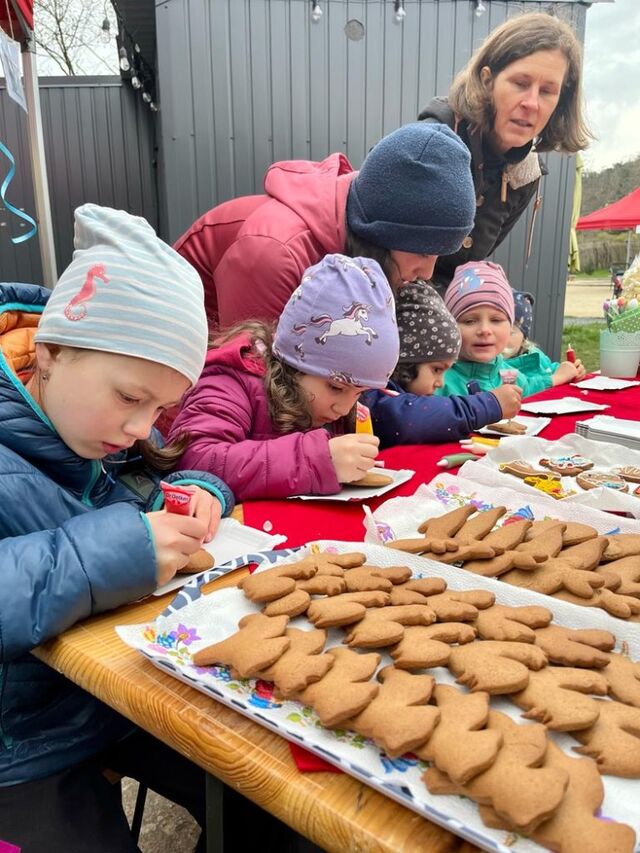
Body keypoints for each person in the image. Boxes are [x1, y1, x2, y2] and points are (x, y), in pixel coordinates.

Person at [0, 204, 236, 852]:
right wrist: (117, 550)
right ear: (48, 353)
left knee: (264, 802)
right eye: (132, 398)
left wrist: (202, 494)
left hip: (117, 700)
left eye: (160, 405)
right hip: (20, 748)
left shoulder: (101, 432)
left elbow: (158, 480)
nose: (142, 426)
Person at [174, 122, 476, 331]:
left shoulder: (361, 224)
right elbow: (252, 385)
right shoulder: (272, 253)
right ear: (383, 231)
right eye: (423, 252)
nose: (428, 274)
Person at [168, 254, 400, 501]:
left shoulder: (319, 397)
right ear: (294, 362)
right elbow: (194, 459)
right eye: (335, 387)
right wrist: (319, 460)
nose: (344, 408)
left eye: (359, 393)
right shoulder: (231, 380)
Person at [419, 12, 591, 292]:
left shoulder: (527, 173)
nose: (532, 103)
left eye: (547, 91)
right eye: (520, 83)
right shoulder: (436, 137)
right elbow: (384, 253)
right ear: (488, 81)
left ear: (561, 101)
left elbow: (469, 265)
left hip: (446, 297)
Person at [361, 282, 521, 447]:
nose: (440, 382)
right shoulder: (375, 395)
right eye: (436, 369)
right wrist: (488, 405)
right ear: (405, 362)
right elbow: (407, 419)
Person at [437, 260, 535, 398]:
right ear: (450, 326)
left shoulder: (516, 380)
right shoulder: (437, 384)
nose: (484, 330)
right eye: (470, 321)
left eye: (496, 320)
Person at [504, 289, 586, 391]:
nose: (499, 336)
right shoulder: (495, 368)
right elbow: (523, 389)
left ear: (524, 338)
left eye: (510, 332)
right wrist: (558, 378)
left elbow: (550, 369)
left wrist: (570, 371)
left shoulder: (534, 354)